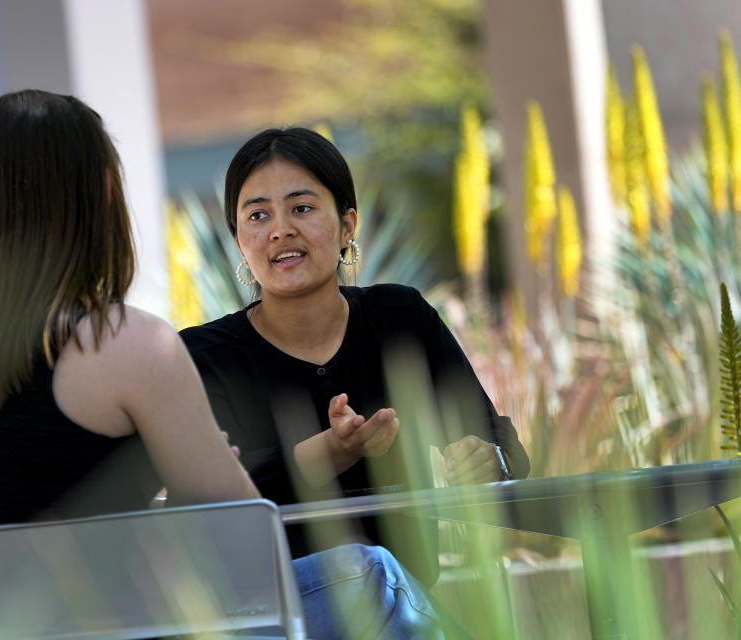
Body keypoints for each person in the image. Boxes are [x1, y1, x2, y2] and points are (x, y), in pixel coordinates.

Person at [0, 91, 452, 639]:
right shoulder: (124, 341)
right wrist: (204, 469)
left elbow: (22, 503)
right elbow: (248, 542)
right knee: (372, 575)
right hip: (129, 630)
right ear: (102, 190)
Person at [180, 127, 530, 586]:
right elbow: (210, 502)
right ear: (239, 240)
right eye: (258, 215)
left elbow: (502, 448)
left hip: (405, 606)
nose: (281, 229)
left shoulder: (400, 318)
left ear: (347, 225)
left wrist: (487, 462)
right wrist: (325, 454)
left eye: (301, 208)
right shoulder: (203, 356)